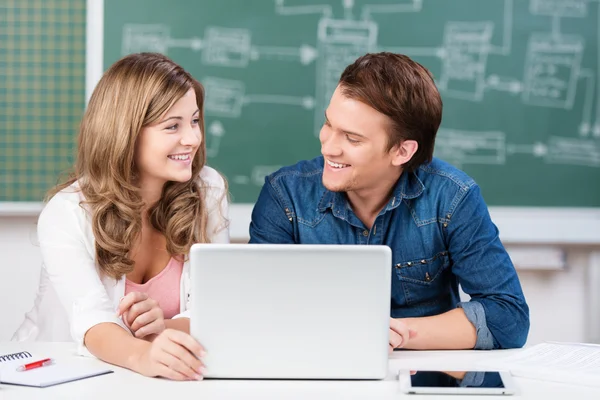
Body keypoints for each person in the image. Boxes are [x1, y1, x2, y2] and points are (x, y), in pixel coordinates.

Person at [249, 52, 529, 351]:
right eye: (329, 124)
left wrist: (399, 333)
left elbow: (508, 317)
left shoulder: (453, 198)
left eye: (352, 139)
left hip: (422, 383)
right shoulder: (285, 195)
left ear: (402, 152)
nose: (329, 146)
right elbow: (254, 311)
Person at [13, 53, 229, 381]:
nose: (193, 139)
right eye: (173, 126)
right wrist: (144, 355)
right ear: (126, 132)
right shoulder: (68, 211)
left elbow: (214, 307)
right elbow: (93, 321)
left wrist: (163, 328)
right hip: (51, 376)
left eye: (195, 120)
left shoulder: (208, 190)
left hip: (147, 383)